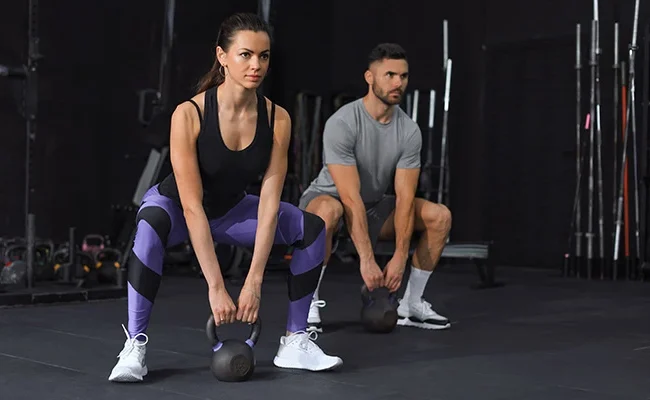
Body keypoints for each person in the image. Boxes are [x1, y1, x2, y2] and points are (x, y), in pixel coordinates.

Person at [108, 13, 342, 382]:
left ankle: (295, 340)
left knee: (311, 227)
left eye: (264, 56)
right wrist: (217, 288)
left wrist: (253, 281)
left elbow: (269, 202)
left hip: (233, 209)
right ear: (222, 56)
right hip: (179, 209)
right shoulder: (190, 114)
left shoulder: (276, 118)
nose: (256, 65)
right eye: (245, 55)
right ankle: (134, 346)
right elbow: (191, 205)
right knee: (150, 223)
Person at [298, 43, 453, 333]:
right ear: (370, 77)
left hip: (373, 207)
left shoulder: (408, 130)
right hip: (329, 200)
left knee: (439, 215)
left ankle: (412, 304)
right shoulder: (343, 122)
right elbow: (348, 197)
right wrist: (367, 261)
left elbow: (405, 199)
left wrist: (399, 257)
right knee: (327, 210)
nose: (398, 83)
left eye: (403, 76)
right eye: (390, 75)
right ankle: (307, 300)